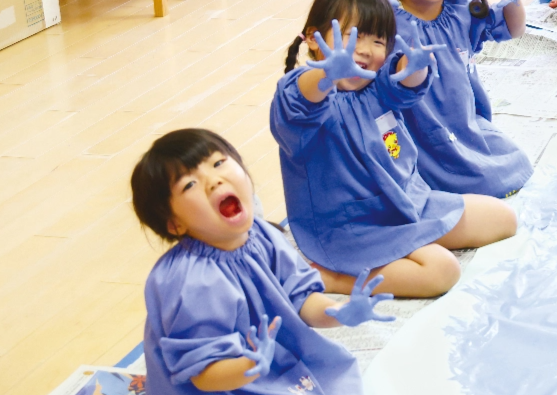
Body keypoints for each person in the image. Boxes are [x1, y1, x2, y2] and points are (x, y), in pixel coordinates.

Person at [273, 0, 518, 298]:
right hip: (351, 228)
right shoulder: (304, 95)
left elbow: (405, 85)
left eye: (377, 40)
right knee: (442, 270)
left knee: (504, 218)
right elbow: (302, 101)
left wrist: (415, 67)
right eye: (350, 36)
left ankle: (412, 240)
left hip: (410, 203)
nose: (363, 49)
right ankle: (330, 279)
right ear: (312, 37)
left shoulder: (376, 87)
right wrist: (326, 75)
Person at [133, 128, 393, 395]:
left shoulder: (262, 234)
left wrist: (340, 311)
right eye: (189, 184)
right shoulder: (192, 283)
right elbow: (204, 376)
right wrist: (249, 365)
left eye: (218, 163)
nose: (214, 181)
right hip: (227, 382)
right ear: (175, 224)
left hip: (275, 363)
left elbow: (299, 299)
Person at [352, 0, 535, 198]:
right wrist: (367, 13)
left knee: (514, 160)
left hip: (466, 125)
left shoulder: (462, 10)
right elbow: (369, 74)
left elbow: (512, 29)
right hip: (417, 138)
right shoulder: (387, 22)